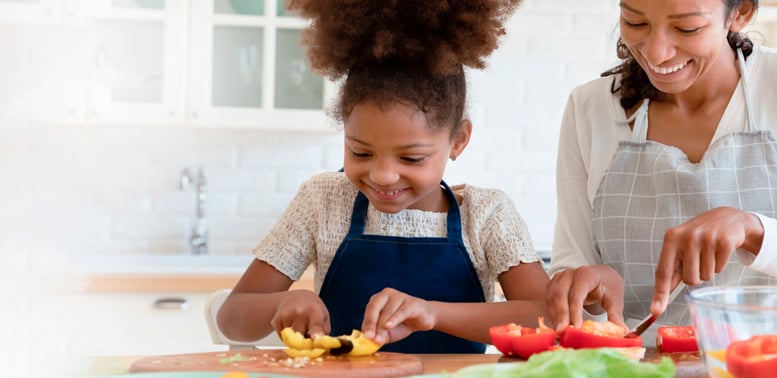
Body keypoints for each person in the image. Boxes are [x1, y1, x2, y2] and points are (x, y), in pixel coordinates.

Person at [217, 0, 546, 354]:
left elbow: (546, 319)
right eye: (361, 152)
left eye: (411, 157)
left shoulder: (486, 215)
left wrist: (433, 314)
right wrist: (283, 303)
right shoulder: (323, 200)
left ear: (458, 140)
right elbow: (231, 317)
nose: (384, 175)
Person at [545, 0, 777, 337]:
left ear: (740, 13)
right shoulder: (588, 107)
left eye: (687, 27)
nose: (657, 52)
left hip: (770, 368)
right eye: (636, 22)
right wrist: (586, 287)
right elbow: (570, 266)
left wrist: (752, 230)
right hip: (633, 373)